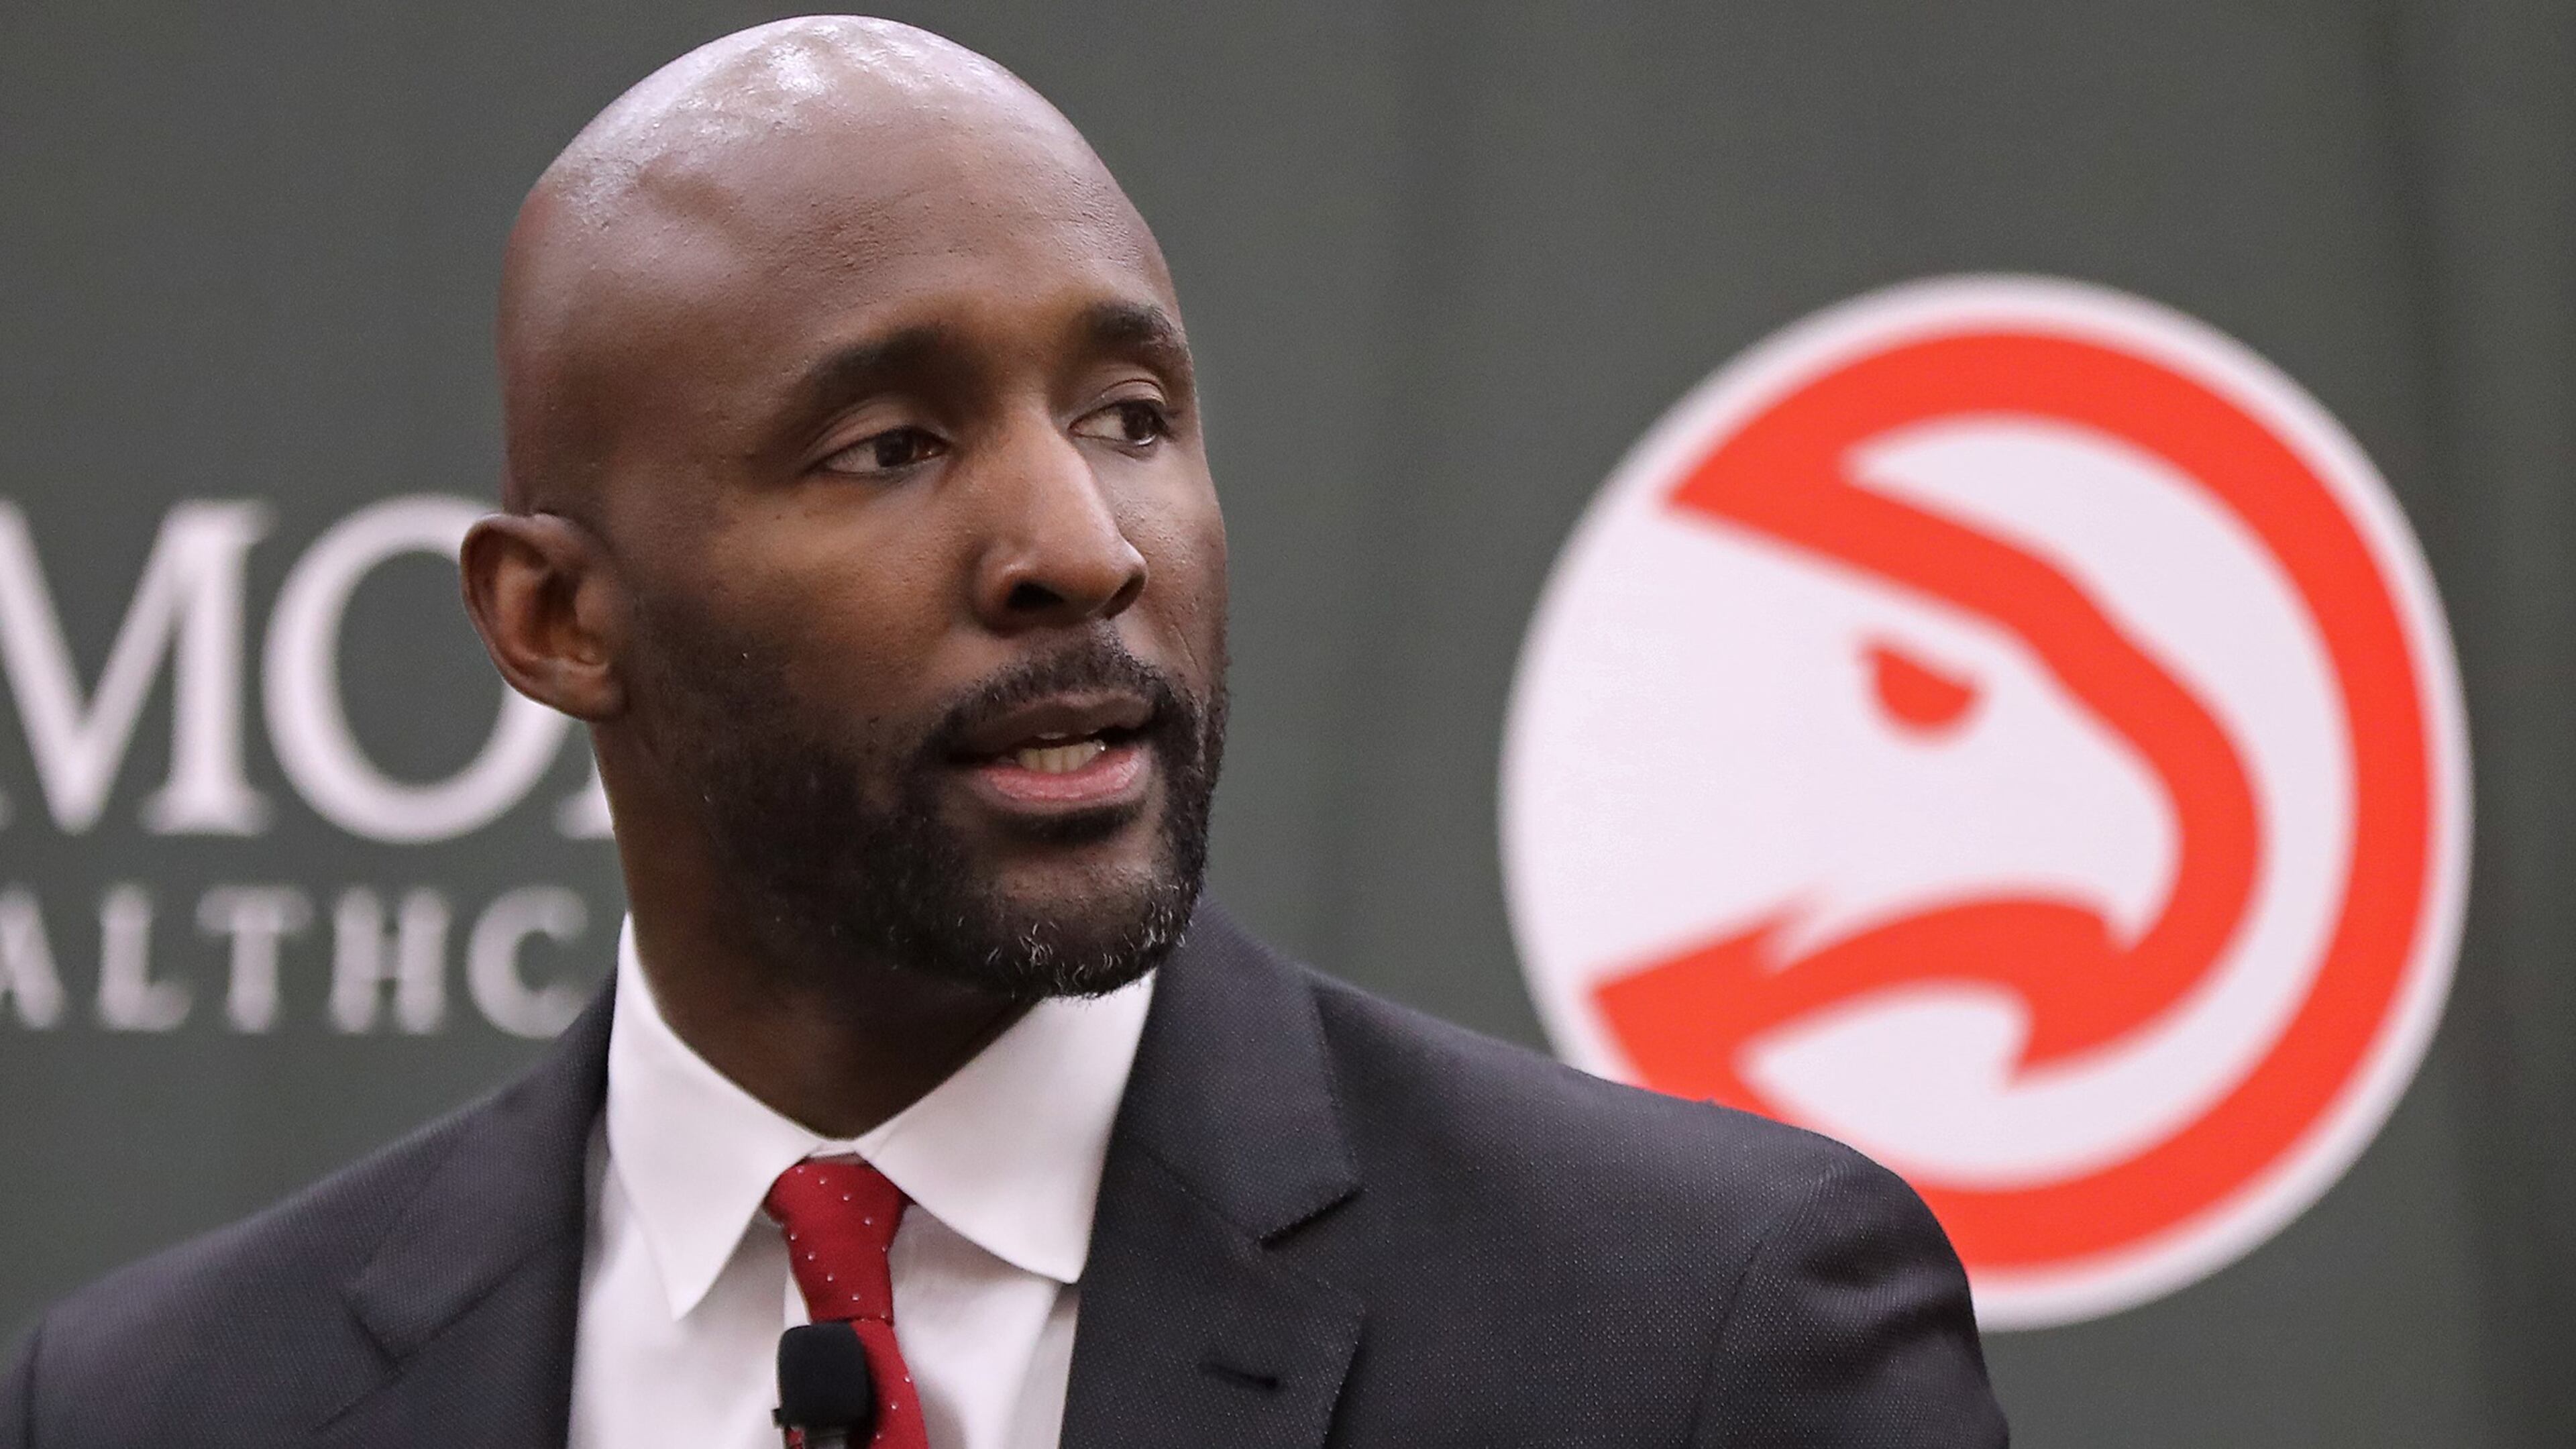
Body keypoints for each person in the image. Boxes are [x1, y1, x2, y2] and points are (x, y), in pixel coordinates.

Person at [0, 17, 2006, 1448]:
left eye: (1130, 416)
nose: (1078, 544)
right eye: (889, 447)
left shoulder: (1700, 1342)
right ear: (557, 618)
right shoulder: (157, 1404)